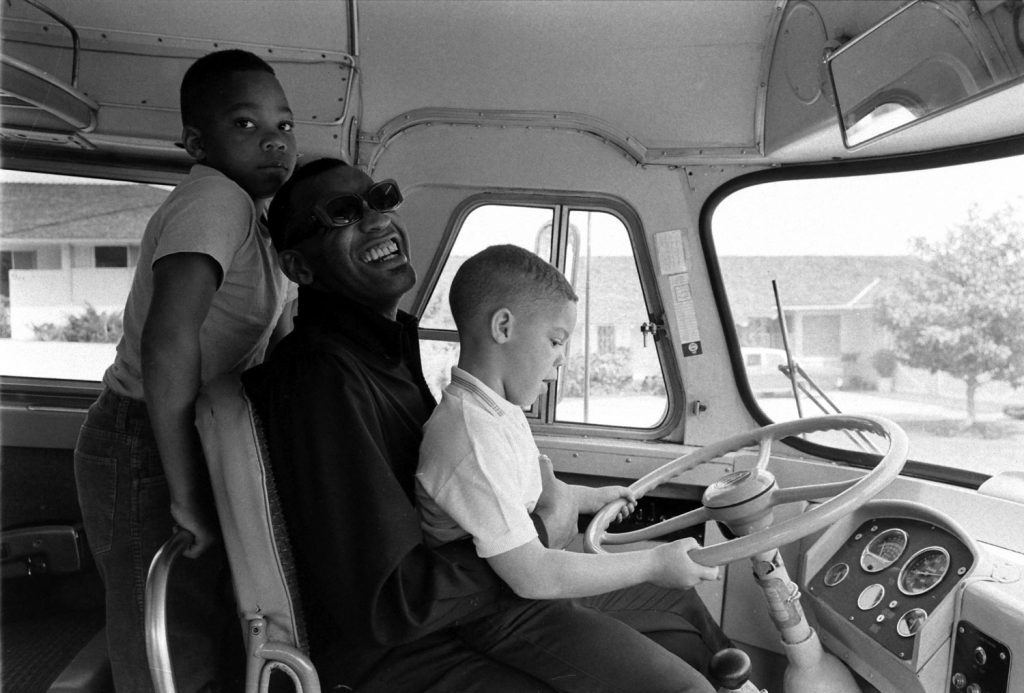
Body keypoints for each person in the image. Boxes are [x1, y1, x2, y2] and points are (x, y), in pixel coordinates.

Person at [243, 157, 732, 692]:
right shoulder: (322, 378)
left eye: (382, 199)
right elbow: (391, 602)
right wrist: (548, 527)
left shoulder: (387, 357)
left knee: (680, 604)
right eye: (342, 214)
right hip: (414, 647)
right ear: (299, 268)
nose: (378, 220)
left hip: (473, 600)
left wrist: (565, 505)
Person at [73, 49, 297, 692]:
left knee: (193, 630)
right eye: (245, 125)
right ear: (198, 142)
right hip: (142, 437)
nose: (274, 141)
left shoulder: (255, 218)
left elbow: (271, 344)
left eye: (283, 124)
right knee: (164, 647)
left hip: (177, 434)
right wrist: (186, 493)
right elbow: (169, 343)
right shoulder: (215, 201)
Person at [415, 243, 722, 692]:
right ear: (503, 326)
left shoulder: (498, 410)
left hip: (524, 587)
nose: (561, 359)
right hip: (501, 610)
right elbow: (533, 574)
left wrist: (586, 497)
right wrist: (654, 561)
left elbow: (521, 494)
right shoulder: (469, 438)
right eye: (556, 341)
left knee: (681, 600)